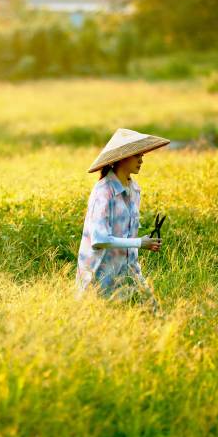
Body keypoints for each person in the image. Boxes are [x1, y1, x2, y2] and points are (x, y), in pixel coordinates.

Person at [76, 128, 170, 309]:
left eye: (142, 155)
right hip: (100, 274)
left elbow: (128, 233)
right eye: (137, 155)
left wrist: (144, 243)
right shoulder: (103, 192)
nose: (141, 160)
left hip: (130, 271)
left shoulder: (135, 190)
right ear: (123, 157)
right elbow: (99, 240)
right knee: (99, 322)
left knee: (154, 313)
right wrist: (139, 243)